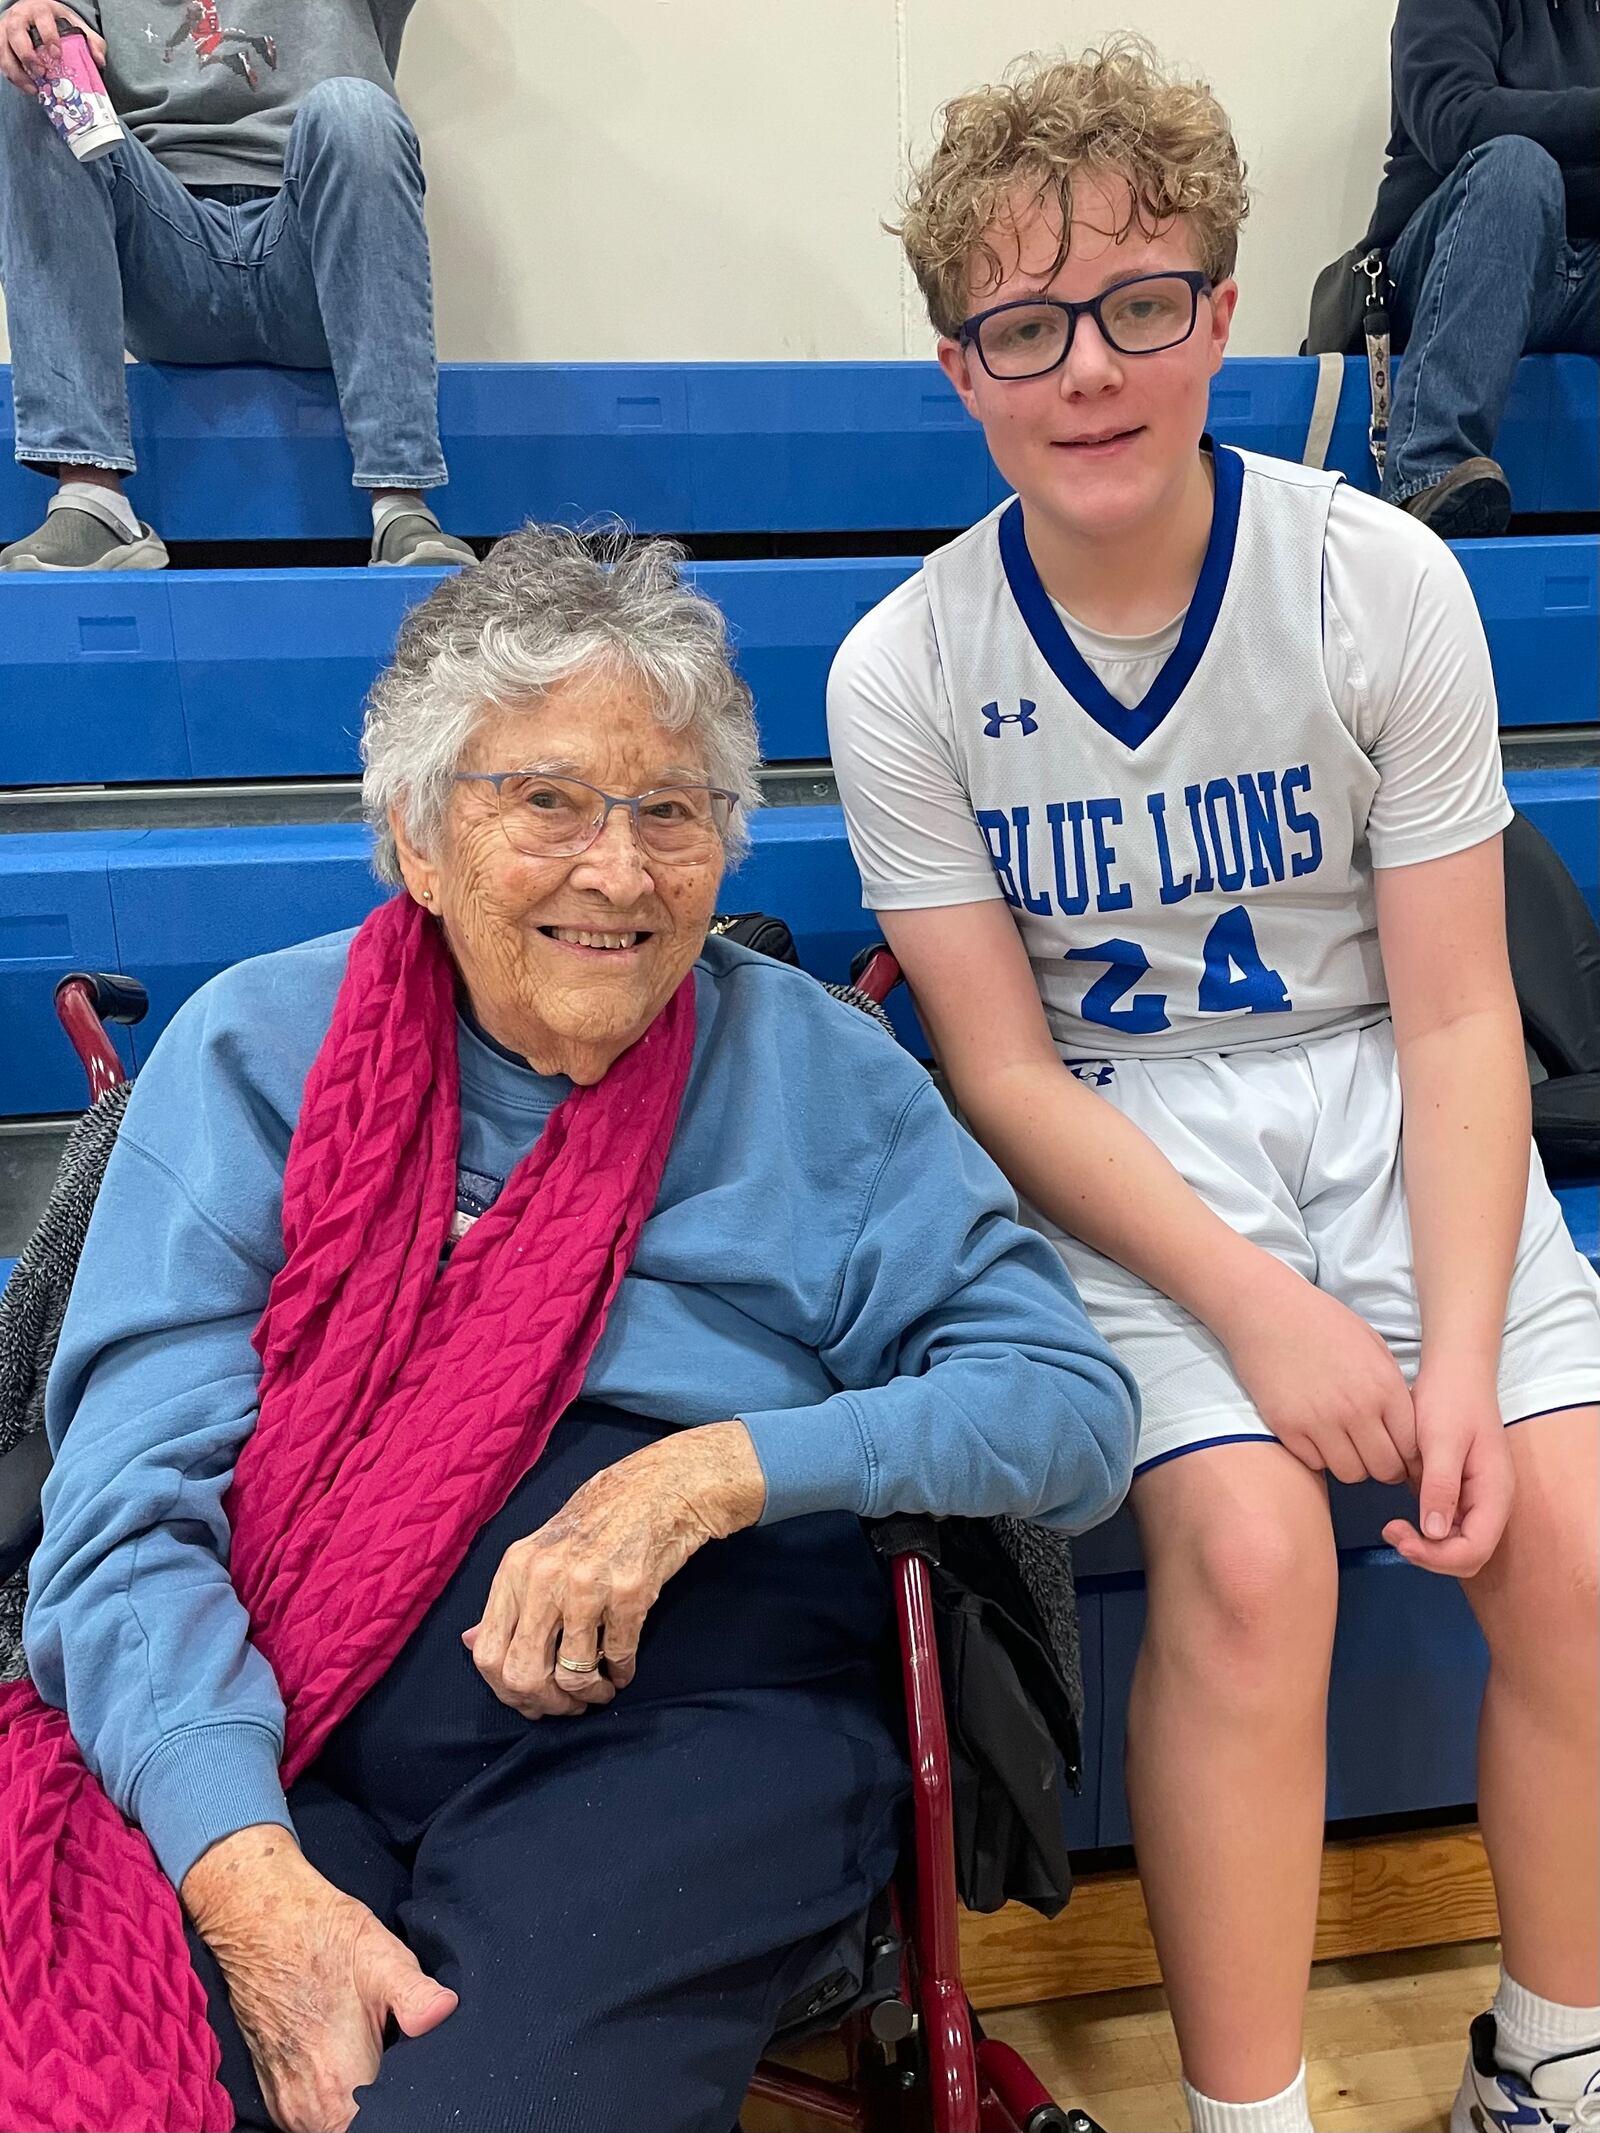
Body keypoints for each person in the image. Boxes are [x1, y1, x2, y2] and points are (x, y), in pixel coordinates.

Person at [5, 525, 1138, 2133]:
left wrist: (703, 1476)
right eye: (546, 802)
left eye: (670, 811)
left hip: (698, 1706)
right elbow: (121, 1517)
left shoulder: (829, 1082)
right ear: (415, 832)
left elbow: (1066, 1411)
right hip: (288, 1684)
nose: (618, 870)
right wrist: (246, 1873)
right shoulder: (253, 1054)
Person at [828, 39, 1600, 2133]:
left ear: (1220, 317)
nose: (1086, 366)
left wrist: (1444, 1344)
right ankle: (1248, 2112)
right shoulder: (903, 668)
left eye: (1137, 303)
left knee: (1576, 1535)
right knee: (1248, 1556)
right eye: (1022, 324)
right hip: (1118, 1151)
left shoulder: (1376, 579)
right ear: (953, 366)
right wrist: (1266, 1312)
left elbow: (1453, 1019)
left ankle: (1548, 2062)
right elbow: (992, 1067)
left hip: (1389, 1102)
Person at [0, 0, 474, 571]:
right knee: (36, 76)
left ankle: (402, 506)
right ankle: (92, 501)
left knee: (355, 108)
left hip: (313, 255)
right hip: (165, 254)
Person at [1364, 0, 1600, 536]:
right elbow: (1455, 121)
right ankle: (1425, 477)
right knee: (1517, 169)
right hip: (1455, 261)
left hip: (1576, 267)